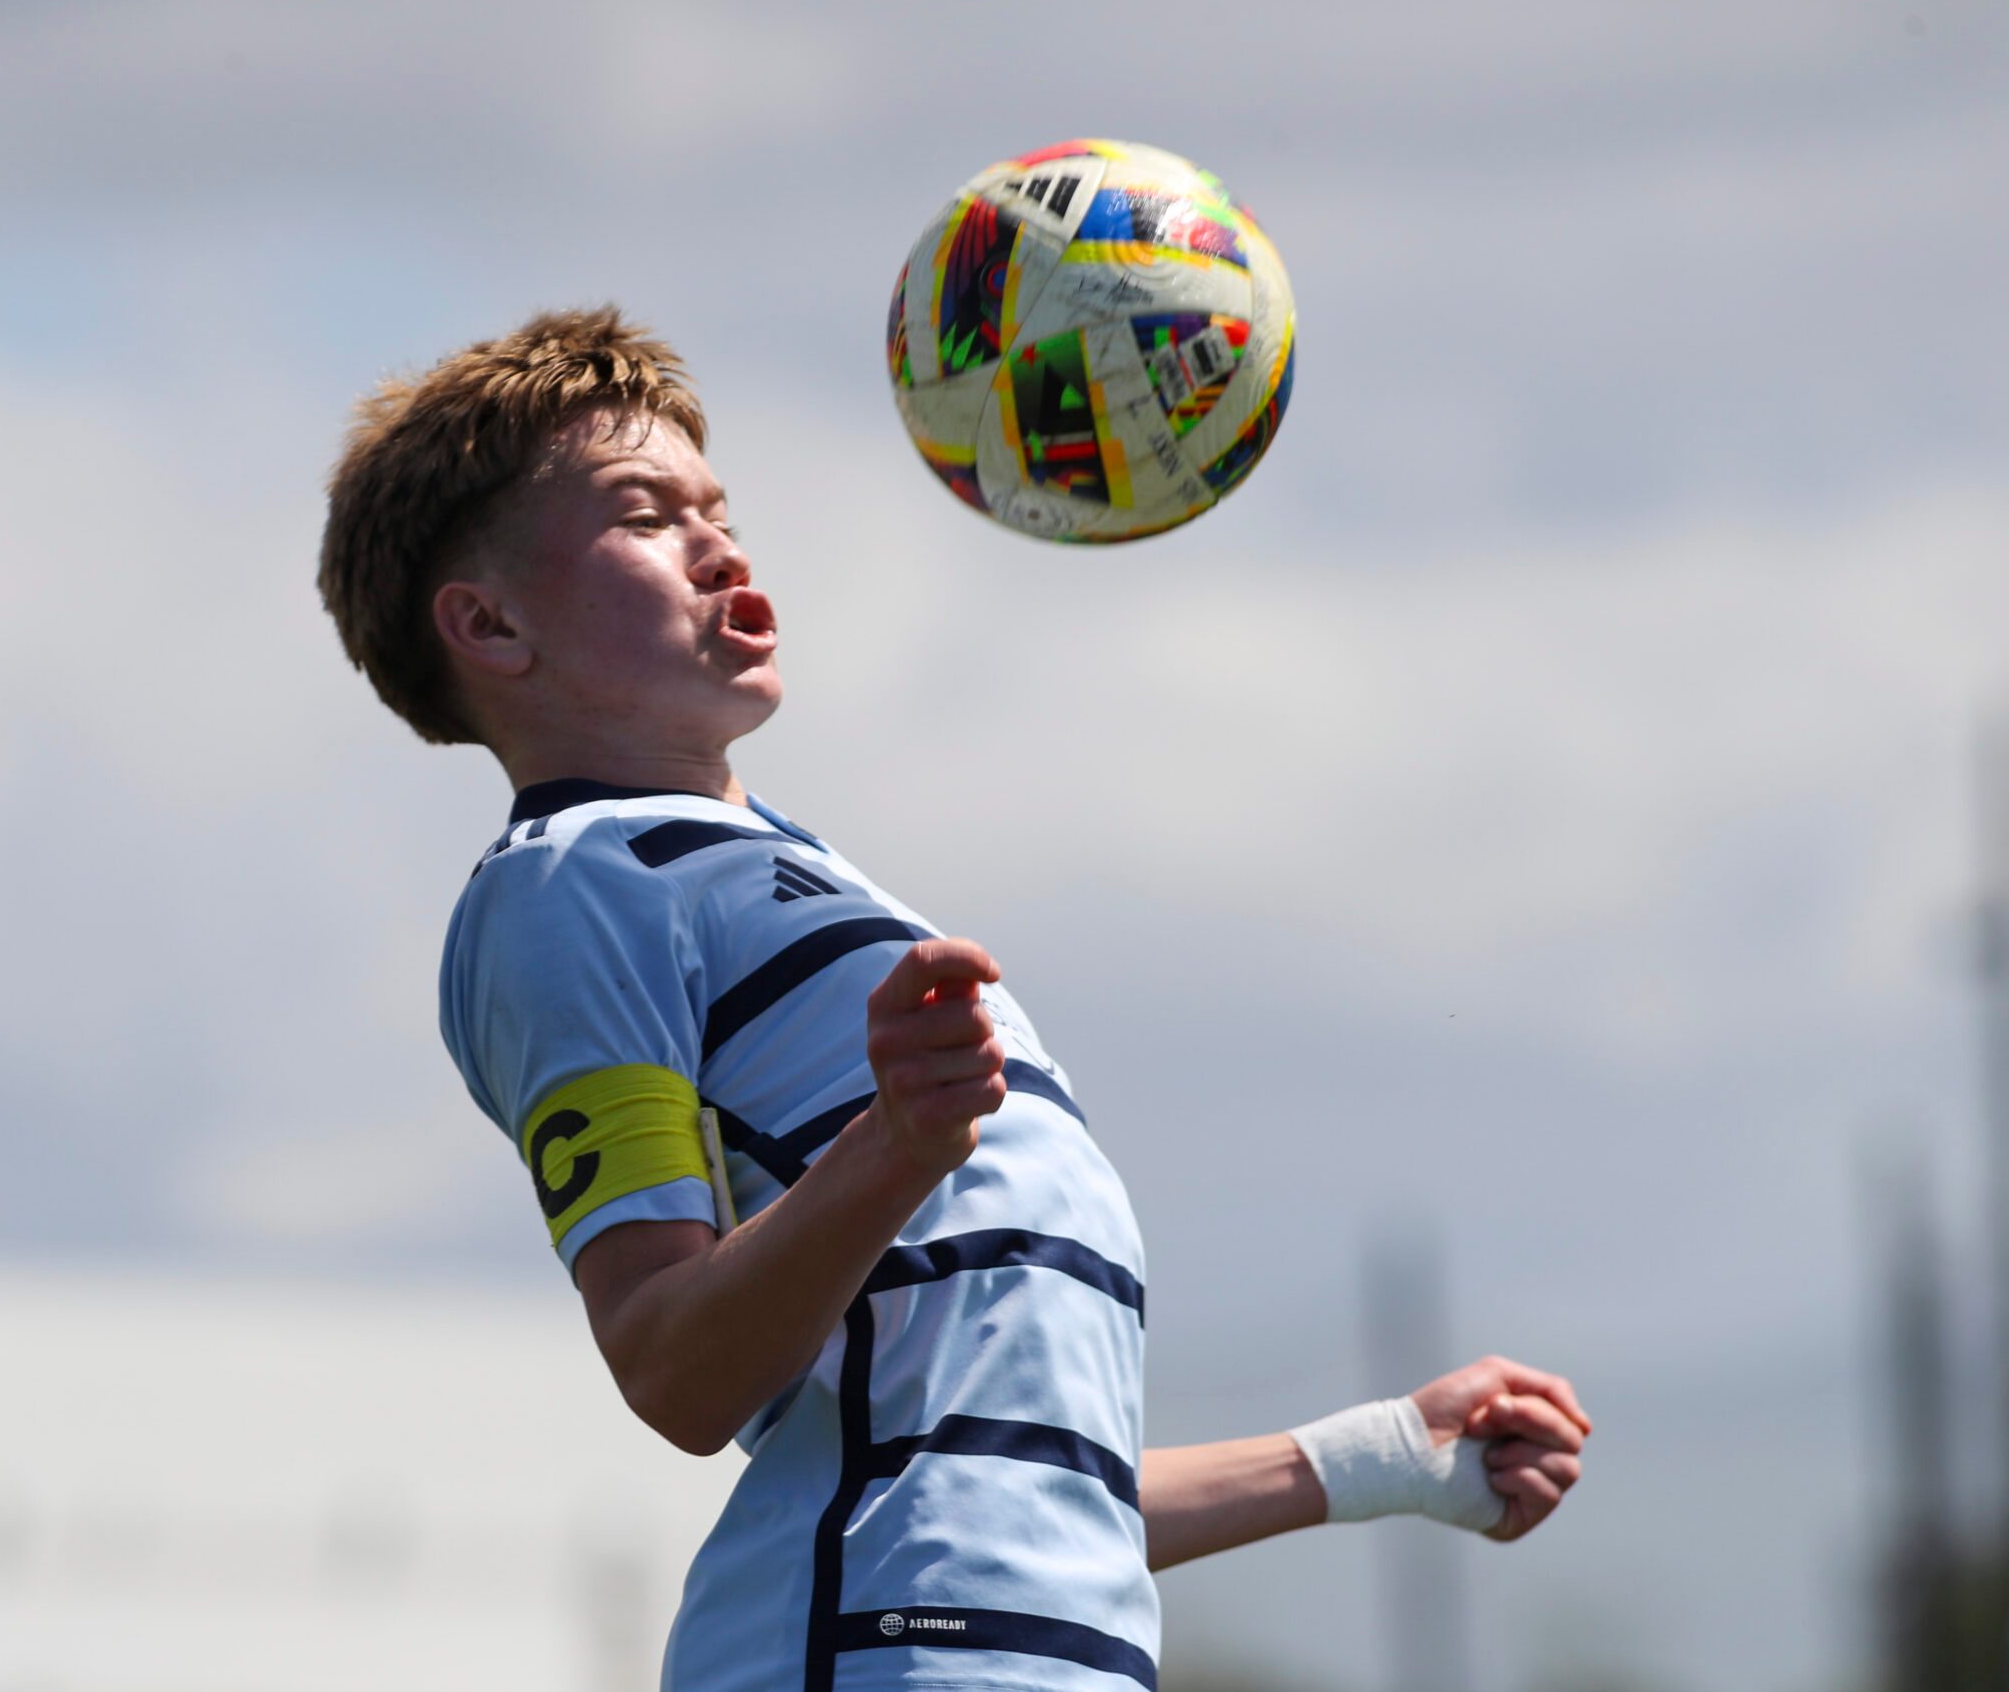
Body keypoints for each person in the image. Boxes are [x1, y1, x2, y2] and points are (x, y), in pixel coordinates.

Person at [319, 307, 1590, 1692]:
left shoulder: (812, 881)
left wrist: (1380, 1458)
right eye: (647, 514)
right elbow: (671, 1364)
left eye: (719, 507)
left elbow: (1010, 1487)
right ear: (489, 623)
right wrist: (899, 1141)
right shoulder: (572, 887)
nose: (720, 544)